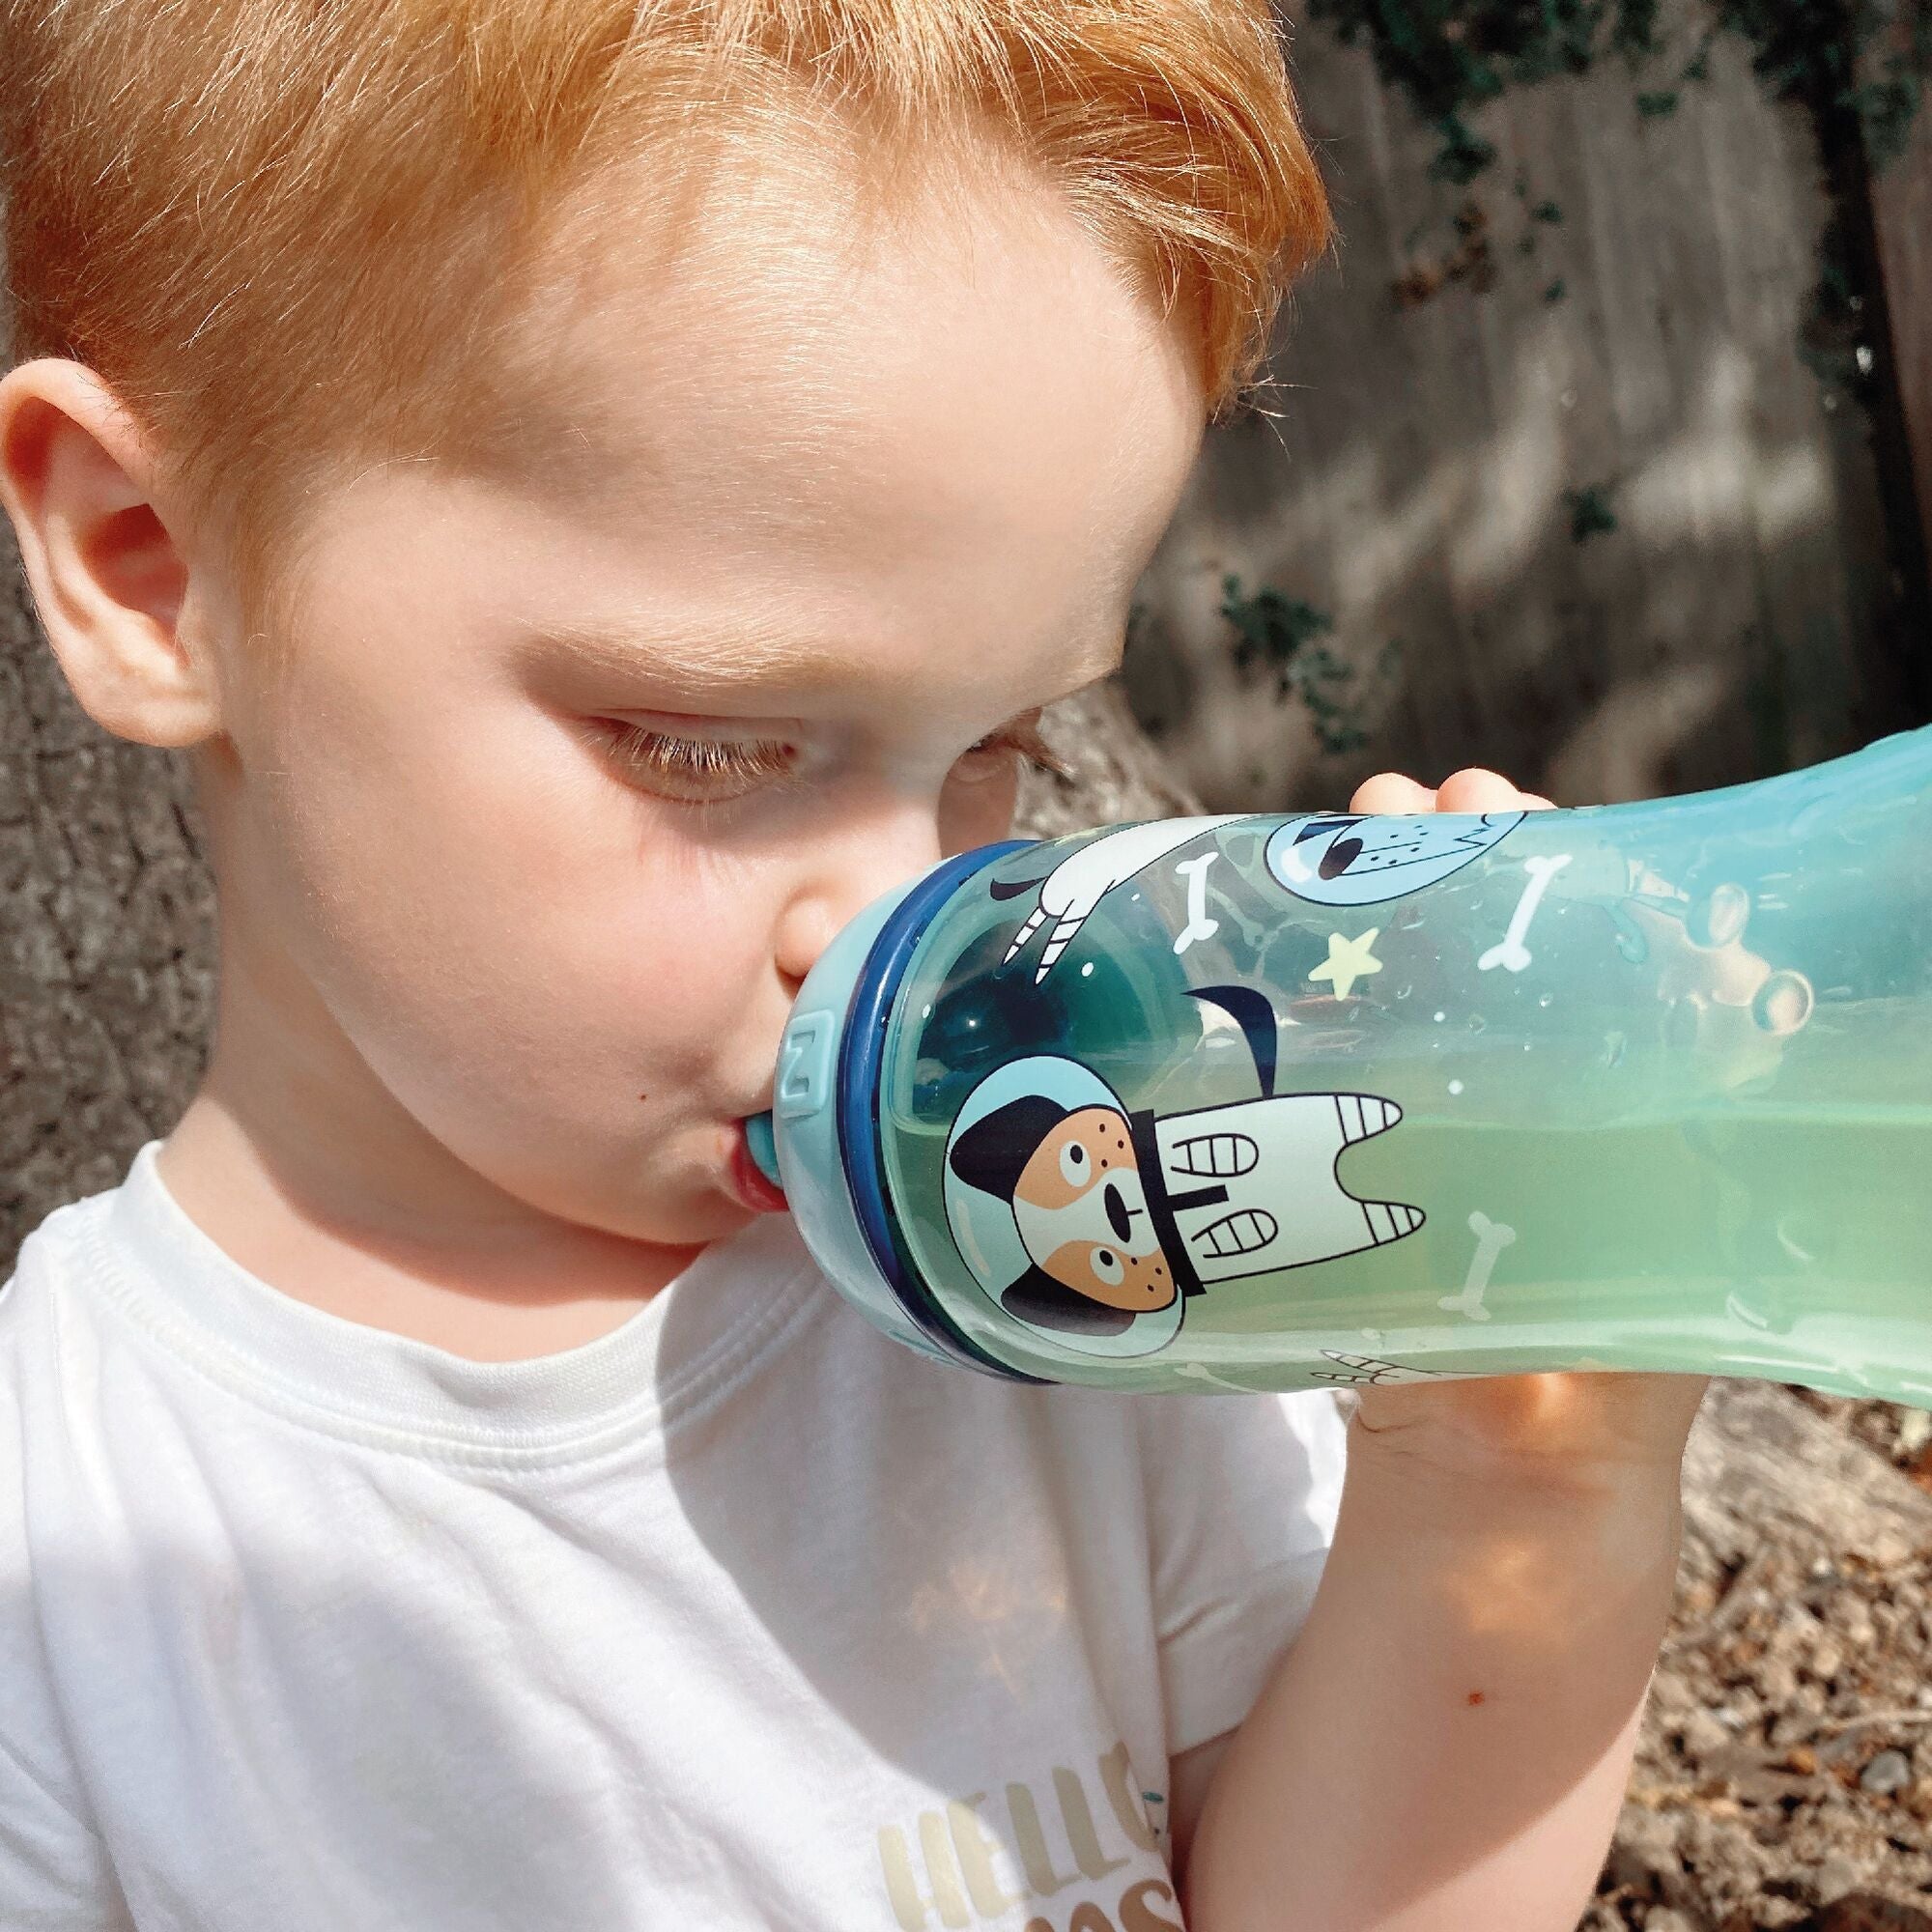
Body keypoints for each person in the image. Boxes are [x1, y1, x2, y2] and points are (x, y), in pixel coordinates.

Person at [0, 3, 1706, 1926]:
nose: (904, 923)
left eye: (997, 744)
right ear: (153, 564)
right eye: (706, 746)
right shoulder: (64, 1567)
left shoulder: (1064, 1256)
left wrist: (1515, 1488)